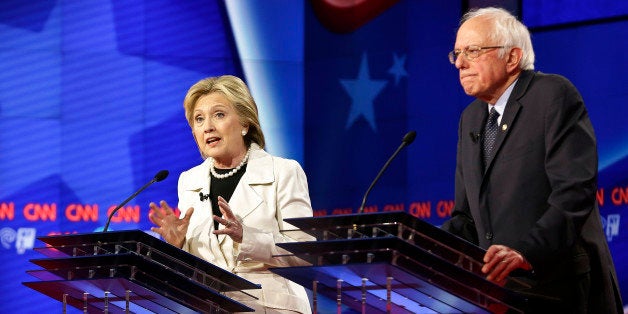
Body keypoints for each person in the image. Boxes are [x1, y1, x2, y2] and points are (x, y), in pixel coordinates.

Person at [442, 7, 622, 313]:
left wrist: (526, 251)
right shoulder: (470, 119)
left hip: (559, 290)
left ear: (511, 58)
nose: (460, 63)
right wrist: (416, 245)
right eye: (457, 53)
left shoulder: (552, 95)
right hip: (500, 296)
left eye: (472, 51)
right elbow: (466, 218)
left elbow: (573, 193)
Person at [149, 75, 313, 313]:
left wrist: (247, 237)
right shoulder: (189, 181)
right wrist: (178, 245)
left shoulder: (284, 172)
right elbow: (199, 264)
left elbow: (305, 254)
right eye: (199, 119)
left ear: (245, 124)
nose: (208, 127)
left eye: (219, 114)